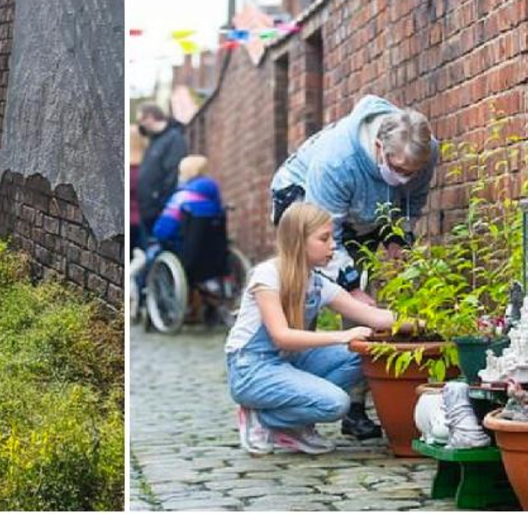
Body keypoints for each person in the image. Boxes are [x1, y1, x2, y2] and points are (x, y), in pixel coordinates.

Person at [269, 94, 438, 439]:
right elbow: (324, 231)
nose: (406, 177)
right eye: (399, 169)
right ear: (379, 147)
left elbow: (413, 200)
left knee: (363, 309)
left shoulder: (425, 151)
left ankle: (355, 407)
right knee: (308, 299)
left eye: (413, 172)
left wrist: (398, 237)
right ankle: (290, 408)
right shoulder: (337, 160)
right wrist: (351, 288)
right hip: (306, 202)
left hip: (364, 213)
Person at [227, 203, 399, 455]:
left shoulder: (316, 283)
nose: (333, 245)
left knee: (362, 355)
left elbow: (374, 316)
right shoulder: (267, 276)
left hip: (288, 362)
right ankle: (260, 417)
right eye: (324, 238)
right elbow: (281, 336)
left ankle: (292, 425)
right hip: (251, 367)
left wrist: (432, 323)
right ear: (299, 240)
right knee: (336, 404)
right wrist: (341, 335)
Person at [136, 103, 188, 244]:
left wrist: (161, 202)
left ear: (150, 118)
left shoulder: (174, 138)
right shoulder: (154, 141)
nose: (140, 126)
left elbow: (173, 173)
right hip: (148, 210)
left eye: (141, 120)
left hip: (160, 210)